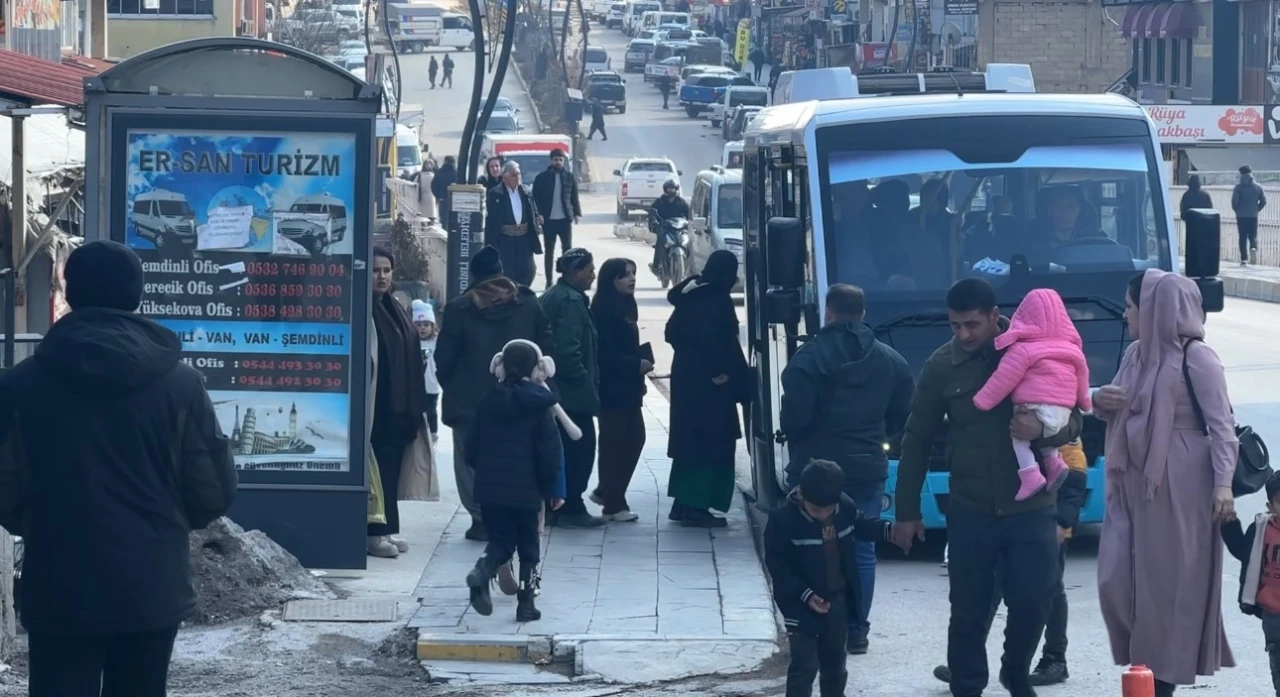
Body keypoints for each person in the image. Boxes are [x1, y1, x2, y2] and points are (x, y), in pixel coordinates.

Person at [0, 240, 237, 697]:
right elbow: (213, 488)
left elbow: (4, 484)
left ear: (69, 294)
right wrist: (163, 526)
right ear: (137, 296)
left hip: (59, 582)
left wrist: (39, 524)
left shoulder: (20, 385)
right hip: (151, 585)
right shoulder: (181, 384)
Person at [892, 278, 1083, 697]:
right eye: (955, 326)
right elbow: (917, 438)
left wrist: (1044, 431)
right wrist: (906, 511)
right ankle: (967, 687)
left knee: (1034, 603)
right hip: (971, 508)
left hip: (1031, 509)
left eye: (972, 325)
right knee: (968, 612)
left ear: (996, 318)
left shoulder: (1032, 350)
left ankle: (1015, 673)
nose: (964, 335)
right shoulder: (942, 366)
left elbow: (1074, 419)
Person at [1094, 269, 1237, 697]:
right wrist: (1102, 401)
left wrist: (1223, 485)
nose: (1126, 315)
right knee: (1117, 579)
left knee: (1171, 590)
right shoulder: (1137, 354)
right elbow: (1122, 407)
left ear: (1156, 310)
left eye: (1132, 306)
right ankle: (1148, 670)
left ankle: (1160, 682)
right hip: (1134, 484)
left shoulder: (1199, 359)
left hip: (1183, 487)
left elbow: (1222, 427)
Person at [779, 283, 913, 655]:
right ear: (864, 313)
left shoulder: (808, 359)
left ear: (829, 313)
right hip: (867, 467)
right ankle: (857, 630)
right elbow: (902, 414)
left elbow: (794, 419)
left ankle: (817, 625)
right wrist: (874, 438)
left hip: (815, 471)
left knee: (809, 545)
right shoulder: (891, 359)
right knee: (863, 549)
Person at [931, 438, 1089, 687]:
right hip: (1007, 520)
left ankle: (1055, 658)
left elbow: (1075, 476)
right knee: (988, 590)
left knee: (1050, 592)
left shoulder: (1056, 417)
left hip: (1046, 525)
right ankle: (967, 662)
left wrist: (1062, 521)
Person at [436, 245, 555, 541]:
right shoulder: (527, 302)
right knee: (519, 457)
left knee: (469, 460)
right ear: (501, 272)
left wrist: (454, 387)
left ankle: (481, 519)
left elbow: (444, 359)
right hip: (523, 398)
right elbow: (547, 346)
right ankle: (515, 517)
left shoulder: (458, 308)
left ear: (475, 276)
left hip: (469, 402)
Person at [764, 459, 895, 697]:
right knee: (805, 667)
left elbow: (863, 526)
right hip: (799, 604)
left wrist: (891, 531)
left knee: (835, 666)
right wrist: (806, 595)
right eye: (816, 510)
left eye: (828, 509)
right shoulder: (782, 520)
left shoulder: (843, 507)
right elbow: (778, 567)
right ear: (800, 494)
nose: (823, 515)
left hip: (836, 601)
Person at [463, 341, 565, 622]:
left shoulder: (487, 400)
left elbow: (470, 447)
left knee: (501, 542)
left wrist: (485, 473)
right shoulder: (539, 406)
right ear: (536, 369)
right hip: (527, 490)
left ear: (502, 366)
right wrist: (548, 488)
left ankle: (483, 570)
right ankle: (526, 604)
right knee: (529, 547)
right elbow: (550, 453)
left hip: (491, 490)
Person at [972, 288, 1090, 501]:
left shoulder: (1022, 349)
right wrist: (1085, 401)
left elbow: (1002, 380)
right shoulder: (1073, 350)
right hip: (1062, 411)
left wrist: (982, 401)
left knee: (1019, 437)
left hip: (1033, 406)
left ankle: (1030, 475)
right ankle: (1054, 465)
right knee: (1047, 439)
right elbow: (1083, 381)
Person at [665, 250, 749, 528]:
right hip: (710, 385)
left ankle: (684, 502)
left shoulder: (691, 295)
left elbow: (672, 333)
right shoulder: (716, 299)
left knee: (691, 442)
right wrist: (724, 372)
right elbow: (719, 340)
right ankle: (696, 506)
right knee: (712, 442)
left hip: (686, 378)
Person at [369, 246, 436, 558]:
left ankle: (386, 529)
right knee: (377, 471)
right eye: (375, 270)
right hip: (378, 408)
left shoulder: (392, 306)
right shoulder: (365, 309)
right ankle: (373, 533)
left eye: (386, 270)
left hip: (400, 409)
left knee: (391, 471)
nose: (381, 276)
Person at [540, 248, 604, 527]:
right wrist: (582, 380)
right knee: (581, 449)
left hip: (558, 391)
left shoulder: (557, 295)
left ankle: (557, 504)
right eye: (589, 270)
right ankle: (572, 506)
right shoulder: (570, 301)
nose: (593, 275)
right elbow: (568, 350)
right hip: (571, 395)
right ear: (574, 272)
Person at [590, 258, 653, 522]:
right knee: (617, 442)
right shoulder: (603, 311)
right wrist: (635, 364)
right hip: (612, 389)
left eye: (633, 273)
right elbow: (603, 355)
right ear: (610, 280)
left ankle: (608, 492)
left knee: (633, 438)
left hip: (629, 388)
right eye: (624, 275)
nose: (631, 279)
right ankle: (612, 503)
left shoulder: (626, 306)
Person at [1221, 471, 1280, 696]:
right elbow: (1242, 551)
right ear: (1271, 505)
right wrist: (1229, 522)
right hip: (1274, 617)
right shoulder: (1262, 530)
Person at [484, 161, 542, 287]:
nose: (518, 178)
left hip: (524, 239)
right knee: (507, 272)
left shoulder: (526, 192)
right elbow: (490, 220)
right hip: (505, 240)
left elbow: (533, 210)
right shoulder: (495, 194)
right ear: (505, 177)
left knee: (528, 270)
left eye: (519, 174)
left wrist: (537, 220)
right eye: (514, 175)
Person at [532, 148, 583, 288]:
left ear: (564, 161)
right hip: (548, 220)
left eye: (561, 160)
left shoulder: (569, 177)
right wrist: (538, 214)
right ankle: (549, 281)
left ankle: (567, 279)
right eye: (556, 160)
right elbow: (535, 198)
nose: (558, 162)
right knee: (549, 251)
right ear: (551, 161)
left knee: (567, 250)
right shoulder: (542, 178)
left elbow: (574, 196)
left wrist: (577, 213)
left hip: (565, 219)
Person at [649, 178, 691, 276]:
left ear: (676, 189)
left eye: (673, 189)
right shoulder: (659, 202)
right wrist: (653, 222)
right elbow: (652, 213)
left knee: (689, 244)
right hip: (665, 229)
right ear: (665, 189)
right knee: (660, 243)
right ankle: (657, 266)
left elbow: (689, 215)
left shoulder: (681, 202)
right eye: (669, 189)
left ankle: (689, 267)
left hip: (679, 229)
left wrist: (691, 223)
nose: (671, 191)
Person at [413, 299, 442, 442]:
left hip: (431, 383)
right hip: (416, 383)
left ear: (432, 326)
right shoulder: (411, 341)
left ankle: (433, 432)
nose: (422, 328)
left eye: (426, 325)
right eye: (418, 325)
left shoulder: (436, 341)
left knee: (431, 410)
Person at [1232, 165, 1267, 266]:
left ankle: (1244, 259)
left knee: (1242, 236)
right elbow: (1264, 201)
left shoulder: (1238, 188)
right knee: (1253, 236)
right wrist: (1256, 209)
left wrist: (1237, 210)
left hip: (1241, 216)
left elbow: (1235, 202)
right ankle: (1253, 248)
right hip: (1253, 215)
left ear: (1241, 174)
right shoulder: (1258, 187)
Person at [432, 155, 458, 226]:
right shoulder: (456, 172)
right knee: (453, 219)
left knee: (443, 219)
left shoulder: (440, 172)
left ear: (445, 161)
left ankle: (445, 233)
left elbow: (433, 185)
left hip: (442, 199)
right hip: (454, 200)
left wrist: (438, 196)